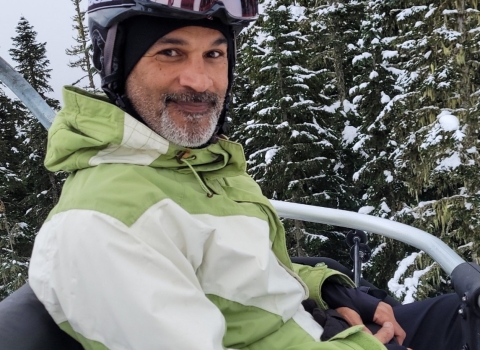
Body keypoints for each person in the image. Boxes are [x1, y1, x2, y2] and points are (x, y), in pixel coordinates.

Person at [28, 1, 462, 349]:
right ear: (118, 69)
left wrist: (326, 289)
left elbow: (241, 280)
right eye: (170, 52)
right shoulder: (103, 225)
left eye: (214, 54)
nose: (199, 80)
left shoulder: (196, 166)